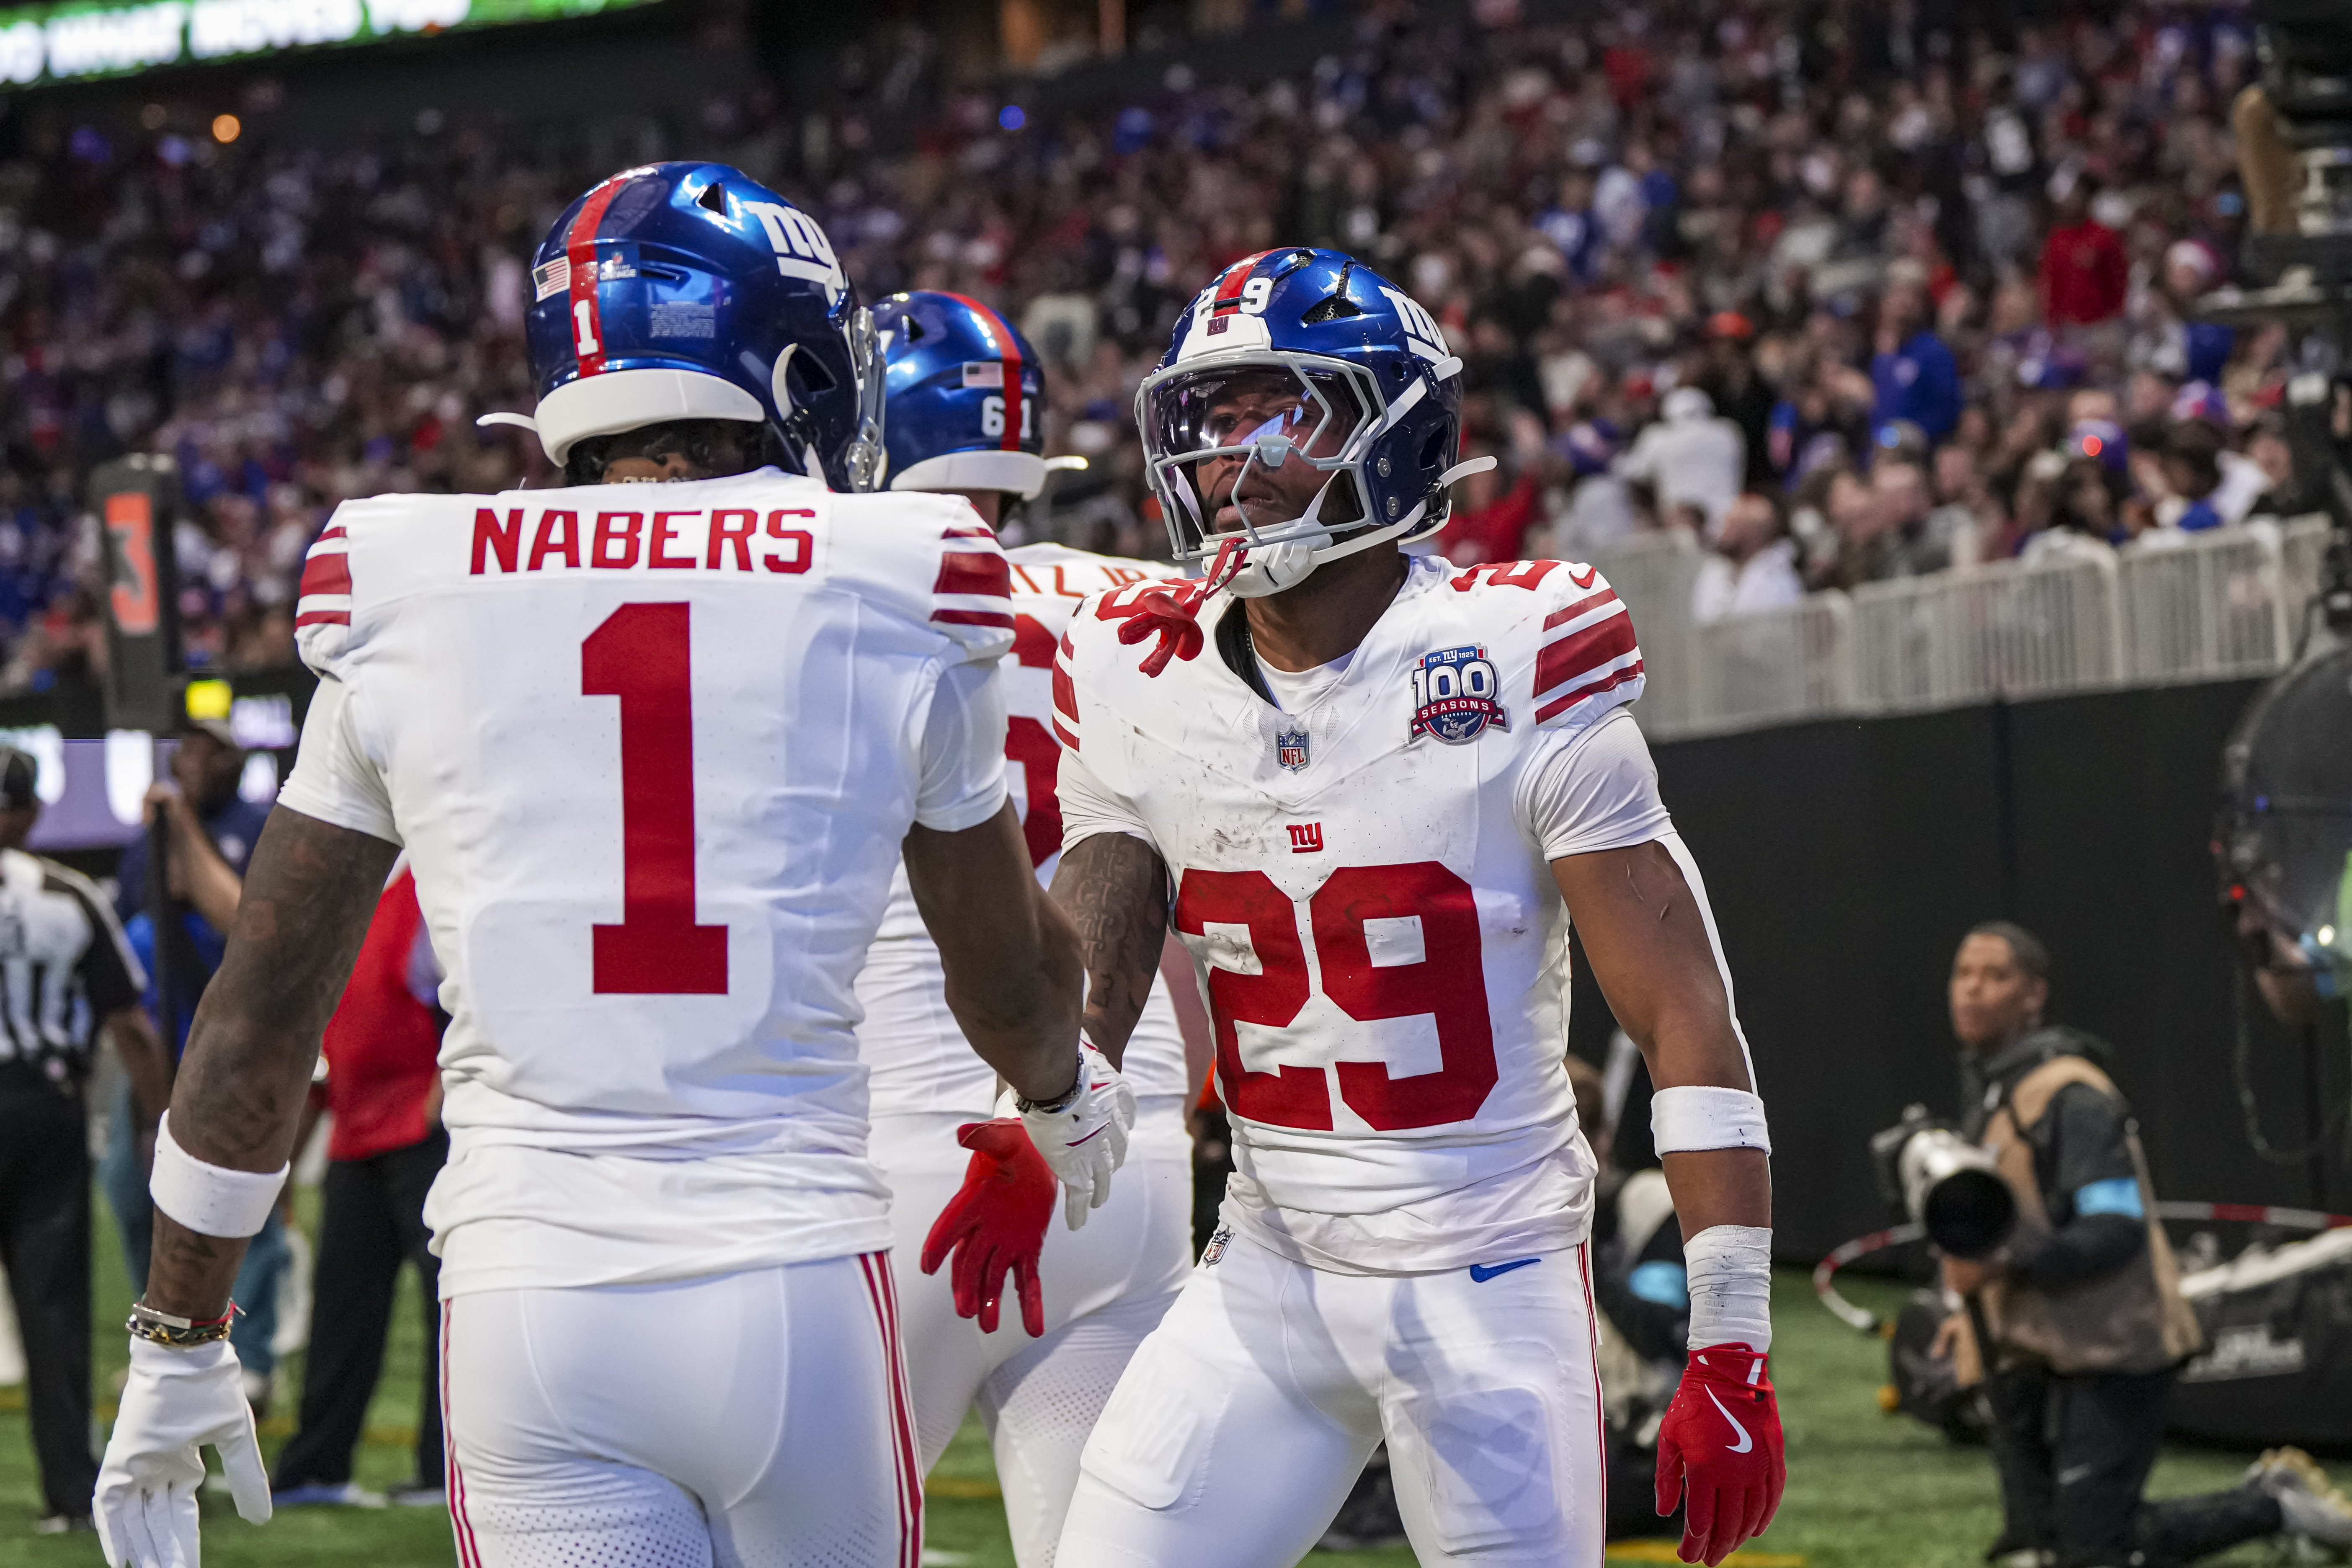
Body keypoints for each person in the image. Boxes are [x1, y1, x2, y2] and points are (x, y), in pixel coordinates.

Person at [92, 161, 1126, 1568]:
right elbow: (1006, 988)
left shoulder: (411, 585)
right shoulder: (899, 572)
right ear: (791, 356)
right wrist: (1064, 1097)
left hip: (531, 1295)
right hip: (793, 1280)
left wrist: (176, 1330)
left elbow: (257, 1025)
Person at [1048, 246, 1782, 1568]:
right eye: (1214, 421)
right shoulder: (1142, 666)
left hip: (1489, 1278)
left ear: (1402, 433)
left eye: (1287, 411)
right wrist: (1044, 1092)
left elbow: (1683, 1016)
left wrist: (1733, 1342)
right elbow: (1105, 920)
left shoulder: (1516, 655)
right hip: (1265, 1270)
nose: (1237, 457)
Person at [855, 289, 1199, 1565]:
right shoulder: (1138, 604)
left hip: (920, 1156)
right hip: (1126, 1149)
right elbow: (1161, 906)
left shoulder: (839, 601)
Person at [1939, 922, 2352, 1568]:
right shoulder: (1995, 1091)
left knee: (2090, 1546)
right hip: (2040, 1348)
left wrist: (2004, 1267)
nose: (1972, 990)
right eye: (1964, 974)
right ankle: (2275, 1502)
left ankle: (2277, 1507)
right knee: (2051, 1539)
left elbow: (2115, 1227)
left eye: (1995, 976)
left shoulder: (2072, 1096)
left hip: (2117, 1350)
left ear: (2034, 995)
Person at [0, 745, 171, 1536]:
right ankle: (71, 1491)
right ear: (31, 811)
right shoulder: (66, 893)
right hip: (43, 1105)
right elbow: (131, 1025)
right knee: (54, 1303)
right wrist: (162, 1124)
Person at [103, 717, 292, 1404]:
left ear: (237, 757)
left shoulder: (257, 827)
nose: (195, 758)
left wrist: (183, 825)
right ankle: (165, 1338)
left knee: (245, 1207)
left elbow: (251, 925)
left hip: (237, 1053)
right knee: (130, 1188)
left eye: (211, 747)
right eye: (187, 746)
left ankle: (257, 1353)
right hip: (162, 1047)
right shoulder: (139, 846)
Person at [268, 861, 448, 1510]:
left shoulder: (430, 882)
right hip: (355, 1131)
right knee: (342, 1308)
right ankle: (314, 1468)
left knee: (449, 1308)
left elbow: (478, 996)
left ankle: (443, 1472)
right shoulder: (350, 891)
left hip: (422, 1131)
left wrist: (439, 1098)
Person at [1614, 385, 1746, 536]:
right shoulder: (1728, 432)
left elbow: (1634, 471)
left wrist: (1611, 457)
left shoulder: (1659, 438)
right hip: (1728, 519)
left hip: (1682, 522)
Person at [1690, 492, 1803, 624]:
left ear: (1755, 536)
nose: (1723, 532)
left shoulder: (1778, 582)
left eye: (1733, 525)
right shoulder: (1714, 571)